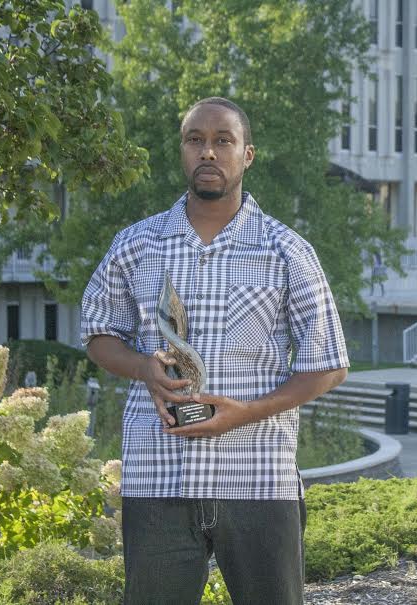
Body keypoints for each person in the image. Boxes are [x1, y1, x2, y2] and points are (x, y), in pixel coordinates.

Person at [80, 97, 349, 605]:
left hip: (258, 475)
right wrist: (143, 367)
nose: (209, 152)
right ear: (182, 152)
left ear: (247, 154)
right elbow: (98, 334)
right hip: (158, 474)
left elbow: (329, 365)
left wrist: (245, 413)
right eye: (195, 140)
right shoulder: (136, 245)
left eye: (223, 141)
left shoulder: (286, 250)